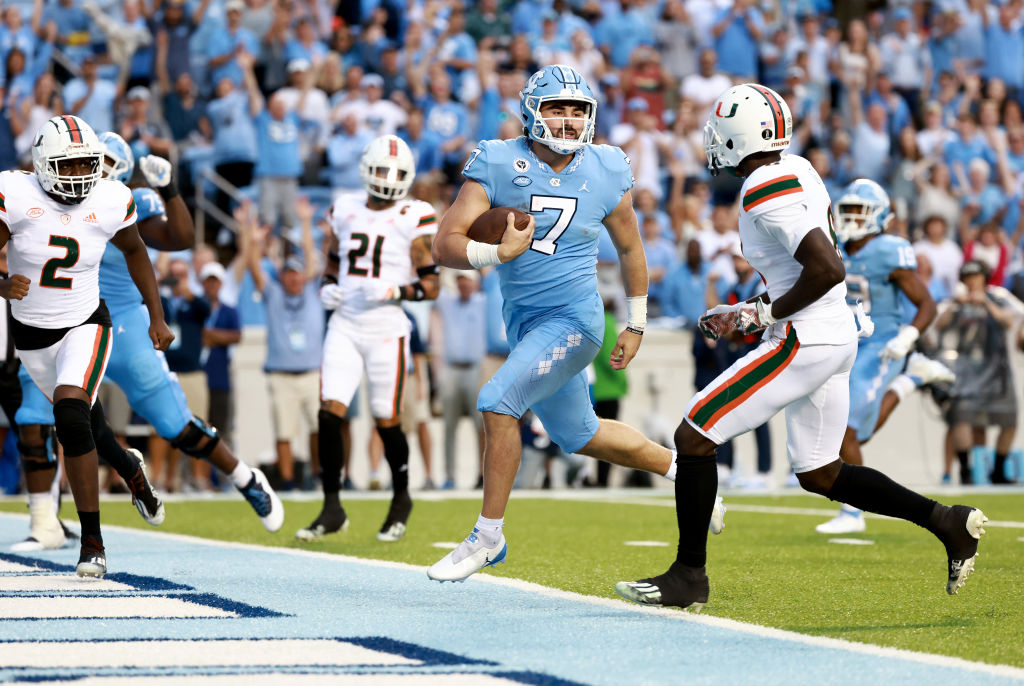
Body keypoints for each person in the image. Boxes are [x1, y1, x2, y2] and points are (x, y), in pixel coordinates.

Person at [616, 84, 987, 611]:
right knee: (820, 472)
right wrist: (747, 309)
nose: (714, 139)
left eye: (721, 130)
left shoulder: (762, 187)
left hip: (804, 337)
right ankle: (947, 522)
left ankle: (687, 576)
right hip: (834, 333)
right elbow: (801, 267)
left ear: (738, 136)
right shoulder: (798, 170)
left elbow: (827, 269)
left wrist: (764, 314)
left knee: (694, 432)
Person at [427, 65, 721, 583]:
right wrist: (492, 250)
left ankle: (488, 536)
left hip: (577, 320)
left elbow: (631, 247)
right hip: (526, 323)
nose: (567, 119)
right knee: (579, 434)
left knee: (497, 400)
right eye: (556, 108)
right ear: (531, 113)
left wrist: (636, 323)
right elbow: (444, 243)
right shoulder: (497, 160)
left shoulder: (606, 167)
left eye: (578, 109)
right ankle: (685, 473)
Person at [0, 115, 174, 577]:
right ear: (42, 163)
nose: (78, 175)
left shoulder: (113, 197)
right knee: (90, 430)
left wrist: (156, 316)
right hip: (32, 334)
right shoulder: (16, 193)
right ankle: (130, 469)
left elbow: (137, 251)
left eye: (85, 165)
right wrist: (1, 284)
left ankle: (92, 543)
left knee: (70, 413)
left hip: (86, 322)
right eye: (68, 165)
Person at [92, 133, 281, 526]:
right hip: (70, 319)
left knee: (172, 422)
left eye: (110, 164)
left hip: (123, 321)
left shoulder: (130, 203)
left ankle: (244, 477)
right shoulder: (55, 197)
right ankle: (51, 513)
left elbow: (178, 238)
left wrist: (169, 189)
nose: (96, 171)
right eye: (96, 160)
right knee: (46, 414)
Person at [296, 134, 440, 543]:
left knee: (386, 419)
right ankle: (332, 506)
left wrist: (398, 292)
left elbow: (431, 287)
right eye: (380, 170)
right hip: (345, 323)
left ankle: (401, 498)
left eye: (394, 172)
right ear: (365, 171)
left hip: (386, 330)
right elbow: (332, 260)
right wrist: (326, 285)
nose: (386, 179)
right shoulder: (344, 208)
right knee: (329, 413)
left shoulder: (416, 214)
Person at [815, 179, 954, 535]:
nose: (850, 218)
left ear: (879, 217)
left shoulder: (889, 250)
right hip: (845, 344)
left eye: (859, 212)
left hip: (881, 343)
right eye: (846, 211)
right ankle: (913, 379)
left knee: (846, 431)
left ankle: (851, 513)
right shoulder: (836, 247)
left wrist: (907, 338)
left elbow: (927, 303)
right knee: (848, 435)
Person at [934, 261, 1020, 485]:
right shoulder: (956, 299)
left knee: (1009, 421)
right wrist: (955, 305)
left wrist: (987, 304)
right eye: (968, 276)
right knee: (962, 418)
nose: (972, 280)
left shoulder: (998, 296)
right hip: (965, 369)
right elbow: (938, 324)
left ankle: (999, 471)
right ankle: (965, 470)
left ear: (985, 277)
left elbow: (1009, 320)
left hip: (997, 369)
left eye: (977, 275)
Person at [434, 270, 486, 489]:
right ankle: (449, 476)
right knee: (449, 426)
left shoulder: (483, 302)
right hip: (452, 369)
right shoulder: (448, 302)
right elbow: (435, 282)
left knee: (481, 427)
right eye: (460, 281)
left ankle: (482, 475)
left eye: (467, 281)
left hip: (476, 369)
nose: (463, 285)